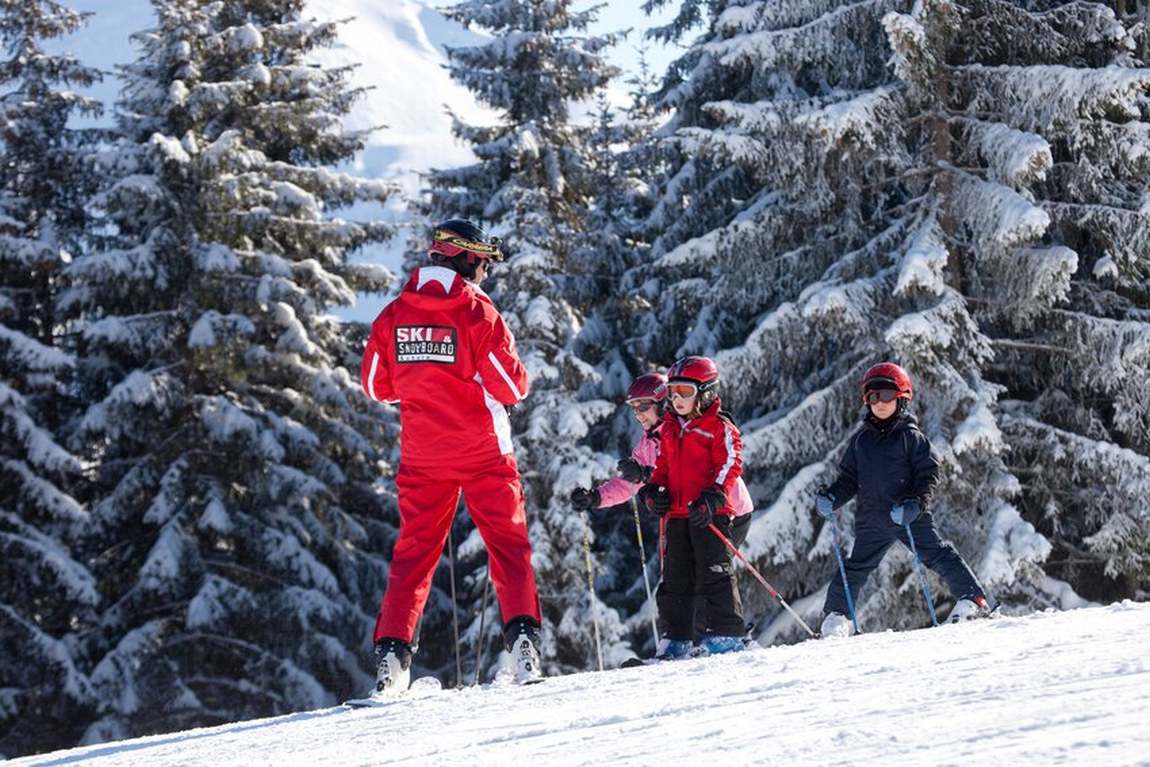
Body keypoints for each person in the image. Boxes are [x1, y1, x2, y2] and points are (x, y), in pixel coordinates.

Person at [360, 219, 543, 696]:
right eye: (482, 260)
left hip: (424, 455)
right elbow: (511, 385)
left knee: (413, 556)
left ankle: (391, 662)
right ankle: (524, 647)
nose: (485, 270)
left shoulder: (395, 312)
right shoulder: (476, 310)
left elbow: (376, 386)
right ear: (462, 258)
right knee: (509, 545)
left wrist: (424, 383)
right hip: (483, 450)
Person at [570, 371, 755, 644]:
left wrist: (645, 474)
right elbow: (629, 484)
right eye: (634, 408)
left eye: (644, 406)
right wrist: (596, 497)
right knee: (681, 576)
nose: (639, 414)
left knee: (708, 571)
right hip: (687, 514)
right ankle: (693, 641)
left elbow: (694, 470)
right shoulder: (648, 443)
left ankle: (725, 637)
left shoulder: (685, 428)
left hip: (726, 511)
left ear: (661, 402)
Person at [816, 362, 994, 637]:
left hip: (907, 515)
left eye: (887, 396)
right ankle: (837, 616)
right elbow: (849, 480)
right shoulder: (860, 442)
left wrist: (915, 503)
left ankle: (973, 600)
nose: (880, 403)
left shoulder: (911, 437)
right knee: (854, 568)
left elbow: (929, 474)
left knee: (937, 554)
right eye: (873, 397)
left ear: (901, 398)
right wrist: (832, 497)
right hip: (871, 519)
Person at [636, 356, 748, 658]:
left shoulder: (718, 427)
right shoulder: (670, 428)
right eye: (672, 392)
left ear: (706, 391)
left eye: (684, 392)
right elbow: (662, 468)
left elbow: (730, 463)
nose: (676, 399)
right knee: (675, 578)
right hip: (676, 514)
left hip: (708, 514)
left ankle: (726, 633)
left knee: (715, 572)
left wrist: (714, 495)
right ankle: (676, 638)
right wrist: (653, 491)